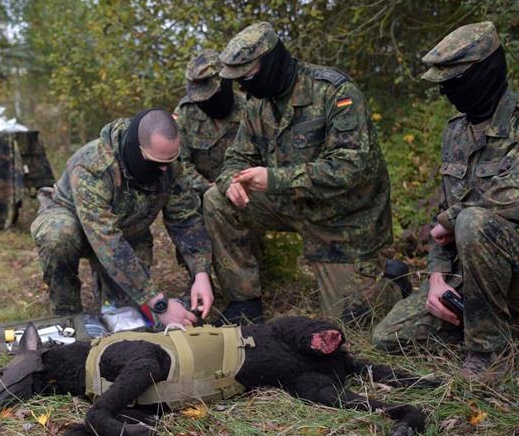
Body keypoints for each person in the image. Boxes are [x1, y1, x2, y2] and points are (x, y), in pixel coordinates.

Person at [372, 22, 519, 384]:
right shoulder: (455, 131)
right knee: (389, 336)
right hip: (475, 270)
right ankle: (518, 322)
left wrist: (452, 218)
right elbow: (441, 218)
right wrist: (437, 278)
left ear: (485, 72)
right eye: (443, 84)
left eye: (455, 81)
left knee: (473, 221)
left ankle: (489, 353)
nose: (447, 92)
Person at [203, 22, 400, 325]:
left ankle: (393, 284)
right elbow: (237, 157)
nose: (243, 88)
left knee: (349, 322)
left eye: (248, 77)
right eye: (238, 81)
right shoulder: (258, 104)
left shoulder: (334, 92)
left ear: (271, 62)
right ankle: (244, 301)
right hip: (290, 204)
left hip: (341, 218)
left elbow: (351, 168)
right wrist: (231, 180)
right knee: (217, 200)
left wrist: (275, 179)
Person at [31, 108, 215, 327]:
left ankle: (109, 300)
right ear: (136, 149)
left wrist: (201, 273)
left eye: (169, 161)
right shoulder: (93, 166)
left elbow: (185, 219)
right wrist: (160, 304)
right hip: (75, 222)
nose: (164, 169)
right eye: (156, 162)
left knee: (128, 317)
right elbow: (107, 240)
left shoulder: (168, 164)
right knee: (59, 237)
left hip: (126, 230)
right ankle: (67, 319)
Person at [173, 50, 246, 197]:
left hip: (243, 192)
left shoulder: (249, 109)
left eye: (212, 95)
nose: (207, 102)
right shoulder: (185, 113)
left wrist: (232, 185)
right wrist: (207, 188)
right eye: (201, 98)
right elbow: (178, 163)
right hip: (198, 194)